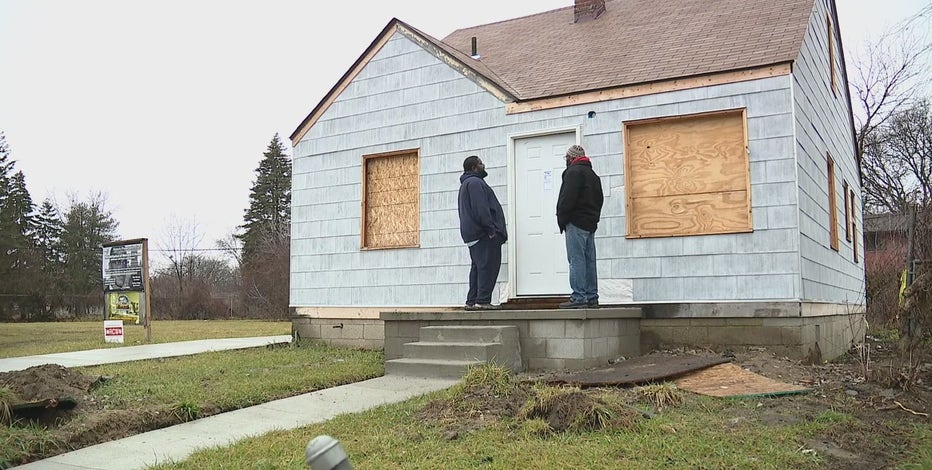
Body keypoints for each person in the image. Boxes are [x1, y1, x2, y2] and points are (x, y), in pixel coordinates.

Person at [556, 144, 604, 309]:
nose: (566, 161)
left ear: (571, 158)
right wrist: (594, 220)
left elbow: (566, 199)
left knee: (576, 260)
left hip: (575, 222)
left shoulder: (572, 173)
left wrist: (562, 220)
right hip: (590, 224)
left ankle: (579, 298)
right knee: (589, 261)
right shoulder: (593, 175)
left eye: (567, 158)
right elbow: (600, 199)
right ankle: (592, 297)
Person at [458, 155, 507, 310]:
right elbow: (481, 208)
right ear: (474, 167)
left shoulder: (467, 184)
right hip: (483, 234)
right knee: (488, 266)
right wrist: (490, 229)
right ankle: (483, 301)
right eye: (480, 163)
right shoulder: (475, 183)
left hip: (473, 234)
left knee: (478, 267)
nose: (483, 165)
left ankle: (472, 301)